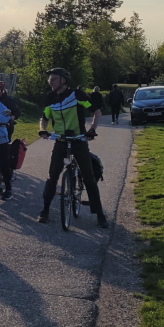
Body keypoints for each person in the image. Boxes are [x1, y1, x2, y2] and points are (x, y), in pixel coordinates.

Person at [37, 68, 108, 229]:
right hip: (61, 141)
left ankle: (99, 214)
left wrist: (92, 130)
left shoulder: (76, 95)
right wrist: (42, 129)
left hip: (78, 140)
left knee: (88, 177)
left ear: (63, 80)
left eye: (54, 79)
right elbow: (45, 117)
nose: (50, 82)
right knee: (52, 176)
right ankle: (45, 210)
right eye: (50, 79)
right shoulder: (50, 98)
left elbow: (96, 112)